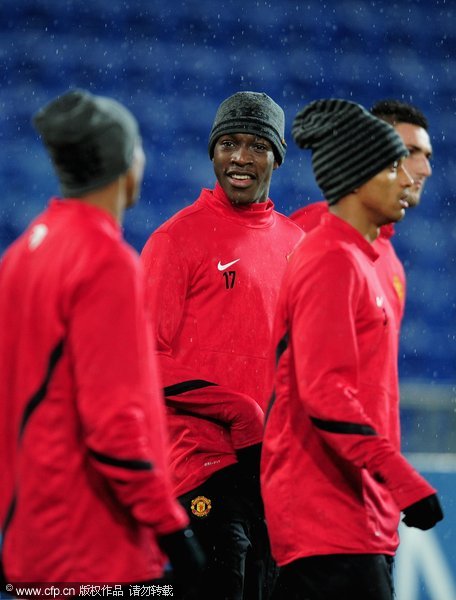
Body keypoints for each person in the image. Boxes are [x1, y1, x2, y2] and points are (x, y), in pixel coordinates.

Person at [0, 89, 204, 592]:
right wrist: (174, 531)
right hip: (94, 550)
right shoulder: (106, 262)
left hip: (30, 541)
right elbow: (114, 429)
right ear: (124, 164)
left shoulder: (23, 250)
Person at [261, 99, 443, 600]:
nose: (412, 176)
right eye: (396, 161)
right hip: (325, 514)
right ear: (358, 175)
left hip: (361, 512)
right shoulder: (328, 257)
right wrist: (404, 480)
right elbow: (324, 393)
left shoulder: (373, 261)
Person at [141, 91, 303, 599]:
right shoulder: (176, 240)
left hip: (272, 474)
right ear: (212, 152)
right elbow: (143, 359)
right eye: (228, 143)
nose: (240, 157)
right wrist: (236, 409)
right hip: (199, 465)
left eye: (256, 146)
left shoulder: (299, 247)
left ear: (277, 156)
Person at [289, 99, 433, 334]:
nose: (425, 169)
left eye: (427, 156)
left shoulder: (393, 265)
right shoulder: (312, 227)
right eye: (409, 152)